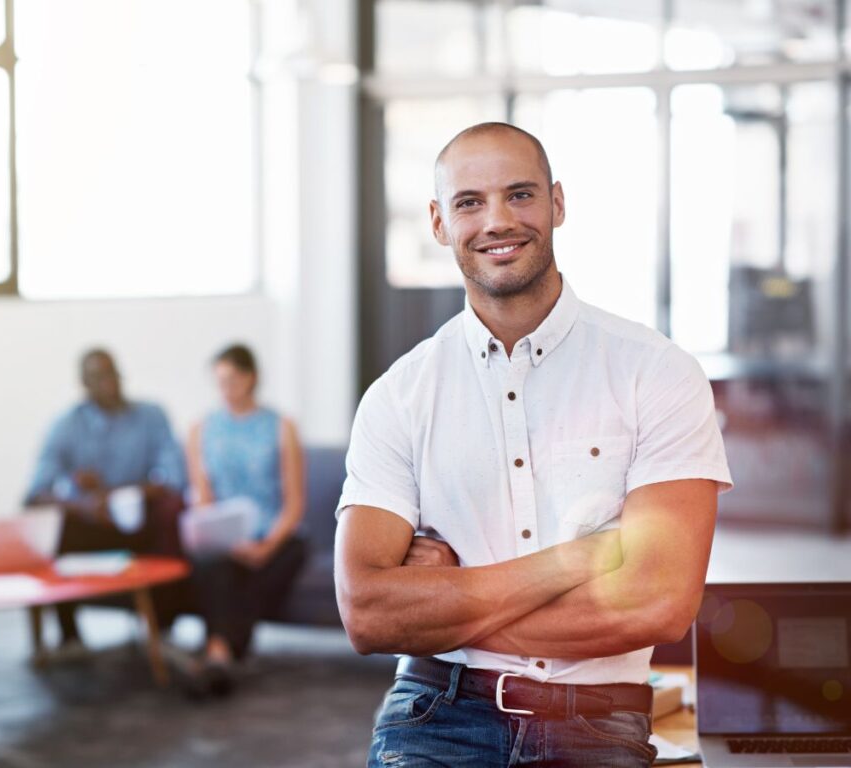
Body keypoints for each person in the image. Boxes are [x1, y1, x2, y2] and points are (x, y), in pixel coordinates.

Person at [335, 123, 732, 767]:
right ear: (439, 222)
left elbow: (660, 603)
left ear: (558, 204)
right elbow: (367, 614)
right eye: (469, 202)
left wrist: (447, 603)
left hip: (597, 721)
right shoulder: (398, 395)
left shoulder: (656, 373)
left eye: (520, 195)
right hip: (437, 713)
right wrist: (576, 563)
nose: (497, 220)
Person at [25, 348, 187, 651]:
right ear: (84, 384)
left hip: (140, 520)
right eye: (99, 378)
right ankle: (69, 635)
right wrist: (82, 502)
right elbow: (35, 494)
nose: (109, 384)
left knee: (172, 509)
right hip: (92, 525)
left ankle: (163, 626)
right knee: (57, 525)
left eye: (113, 375)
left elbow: (175, 477)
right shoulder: (67, 426)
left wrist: (125, 493)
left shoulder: (151, 416)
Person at [185, 344, 306, 689]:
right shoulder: (202, 430)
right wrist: (230, 542)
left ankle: (217, 652)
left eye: (232, 379)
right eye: (219, 381)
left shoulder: (281, 427)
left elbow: (294, 504)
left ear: (250, 378)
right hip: (226, 540)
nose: (226, 388)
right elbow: (204, 501)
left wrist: (266, 546)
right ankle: (224, 654)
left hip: (277, 536)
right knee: (219, 568)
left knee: (255, 572)